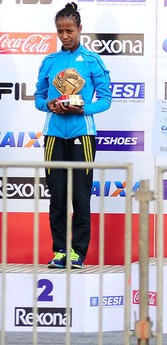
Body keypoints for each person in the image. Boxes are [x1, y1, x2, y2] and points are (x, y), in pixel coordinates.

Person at [34, 2, 112, 269]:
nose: (65, 36)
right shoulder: (50, 61)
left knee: (80, 196)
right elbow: (39, 98)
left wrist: (83, 109)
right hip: (54, 135)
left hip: (83, 134)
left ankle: (77, 252)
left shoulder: (92, 60)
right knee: (56, 196)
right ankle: (59, 251)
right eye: (60, 31)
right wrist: (50, 105)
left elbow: (106, 100)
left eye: (69, 30)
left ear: (80, 28)